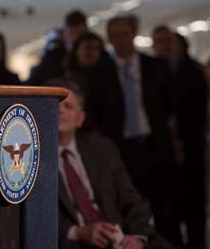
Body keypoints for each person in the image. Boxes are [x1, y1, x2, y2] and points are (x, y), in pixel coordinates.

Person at [54, 79, 173, 249]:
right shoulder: (34, 159)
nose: (60, 111)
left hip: (121, 237)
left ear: (80, 119)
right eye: (55, 106)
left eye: (68, 107)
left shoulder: (102, 149)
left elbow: (132, 200)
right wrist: (79, 232)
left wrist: (137, 238)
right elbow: (37, 219)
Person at [105, 15, 180, 246]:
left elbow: (170, 106)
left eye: (125, 34)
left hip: (154, 145)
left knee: (166, 209)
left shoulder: (155, 66)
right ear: (110, 39)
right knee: (131, 211)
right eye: (116, 36)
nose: (122, 40)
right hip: (122, 150)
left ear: (134, 34)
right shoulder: (102, 72)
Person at [152, 26, 208, 249]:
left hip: (191, 146)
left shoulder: (193, 71)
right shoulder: (151, 72)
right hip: (161, 151)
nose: (165, 46)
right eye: (159, 41)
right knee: (167, 207)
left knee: (194, 204)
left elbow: (199, 112)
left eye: (168, 40)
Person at [64, 31, 118, 132]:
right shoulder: (67, 81)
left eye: (96, 48)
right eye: (87, 47)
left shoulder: (108, 79)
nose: (91, 52)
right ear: (77, 50)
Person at [28, 9, 87, 85]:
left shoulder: (89, 56)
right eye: (72, 33)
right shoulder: (53, 54)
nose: (75, 38)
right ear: (65, 31)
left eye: (79, 34)